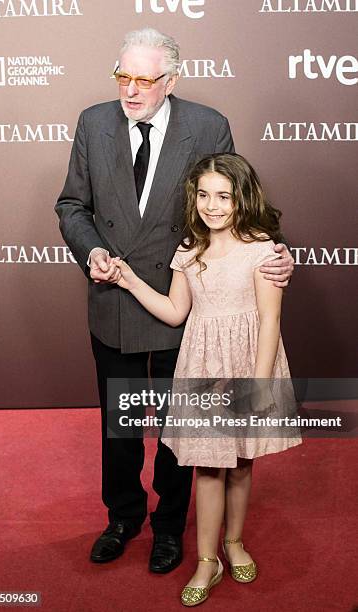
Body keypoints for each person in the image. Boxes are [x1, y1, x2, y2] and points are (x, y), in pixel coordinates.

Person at [55, 28, 294, 574]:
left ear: (172, 80)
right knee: (120, 427)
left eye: (145, 80)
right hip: (113, 299)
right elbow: (72, 205)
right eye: (123, 77)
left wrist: (278, 254)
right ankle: (121, 517)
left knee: (178, 430)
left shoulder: (207, 126)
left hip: (183, 309)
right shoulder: (94, 122)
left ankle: (169, 526)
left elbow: (237, 206)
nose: (131, 91)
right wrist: (91, 252)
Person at [113, 152, 302, 605]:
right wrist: (130, 281)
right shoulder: (190, 250)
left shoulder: (261, 250)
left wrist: (259, 386)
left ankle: (234, 543)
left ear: (242, 197)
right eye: (203, 195)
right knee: (209, 465)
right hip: (202, 367)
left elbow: (270, 321)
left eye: (223, 195)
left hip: (247, 364)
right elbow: (176, 312)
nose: (212, 205)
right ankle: (206, 560)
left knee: (240, 462)